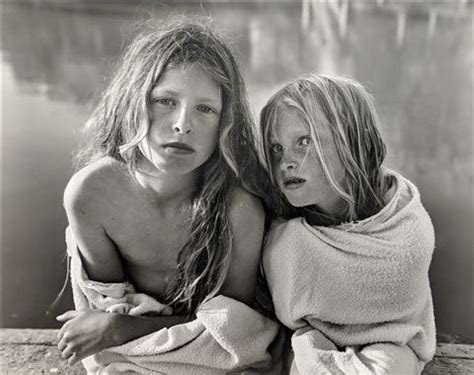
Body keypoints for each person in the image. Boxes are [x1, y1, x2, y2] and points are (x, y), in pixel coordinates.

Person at [56, 17, 271, 368]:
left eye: (205, 109)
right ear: (132, 100)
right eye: (165, 100)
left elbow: (235, 329)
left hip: (207, 351)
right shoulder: (91, 195)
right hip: (133, 349)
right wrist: (118, 323)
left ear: (225, 123)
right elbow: (107, 308)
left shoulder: (238, 208)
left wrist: (123, 327)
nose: (183, 124)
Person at [260, 74, 436, 374]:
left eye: (305, 141)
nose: (286, 162)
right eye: (276, 148)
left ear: (351, 140)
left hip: (390, 341)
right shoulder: (280, 226)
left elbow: (403, 293)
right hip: (306, 338)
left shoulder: (402, 222)